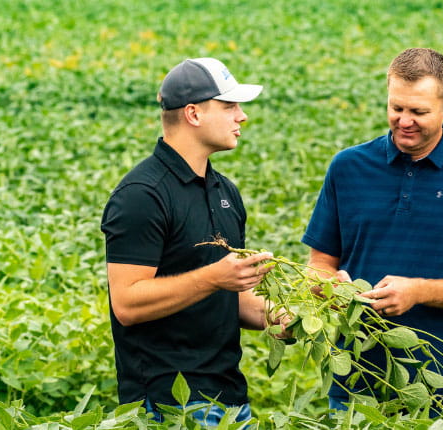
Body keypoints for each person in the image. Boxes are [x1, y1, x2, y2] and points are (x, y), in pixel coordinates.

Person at [301, 48, 443, 411]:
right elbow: (319, 262)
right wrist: (325, 285)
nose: (404, 121)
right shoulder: (348, 167)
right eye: (396, 108)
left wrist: (418, 291)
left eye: (418, 112)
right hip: (354, 386)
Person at [100, 57, 289, 425]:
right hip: (167, 405)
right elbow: (126, 303)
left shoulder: (224, 191)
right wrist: (213, 277)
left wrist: (290, 317)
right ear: (193, 114)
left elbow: (229, 298)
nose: (242, 117)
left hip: (231, 400)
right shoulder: (141, 195)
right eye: (229, 106)